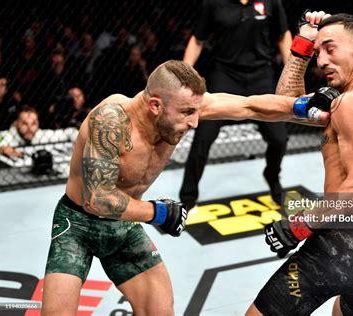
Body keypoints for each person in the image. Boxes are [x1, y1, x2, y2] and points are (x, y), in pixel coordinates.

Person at [41, 60, 336, 315]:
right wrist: (157, 213)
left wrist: (302, 107)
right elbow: (97, 199)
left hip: (122, 225)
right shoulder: (111, 121)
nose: (195, 122)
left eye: (196, 110)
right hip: (77, 226)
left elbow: (250, 105)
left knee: (161, 312)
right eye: (186, 113)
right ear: (155, 105)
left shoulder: (181, 108)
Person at [248, 12, 353, 315]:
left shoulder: (350, 104)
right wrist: (306, 39)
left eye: (330, 49)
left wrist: (299, 226)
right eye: (317, 52)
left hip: (341, 246)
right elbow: (287, 104)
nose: (321, 61)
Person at [179, 0, 293, 208]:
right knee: (203, 137)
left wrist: (292, 70)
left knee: (279, 138)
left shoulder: (271, 2)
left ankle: (272, 175)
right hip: (225, 75)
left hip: (261, 76)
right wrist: (184, 75)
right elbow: (197, 39)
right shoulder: (214, 3)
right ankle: (187, 198)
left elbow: (284, 33)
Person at [0, 105, 77, 158]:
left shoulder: (41, 134)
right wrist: (2, 148)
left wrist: (79, 140)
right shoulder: (7, 135)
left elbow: (70, 132)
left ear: (38, 124)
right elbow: (1, 140)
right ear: (16, 123)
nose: (29, 128)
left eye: (33, 124)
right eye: (25, 124)